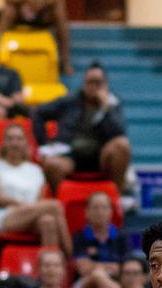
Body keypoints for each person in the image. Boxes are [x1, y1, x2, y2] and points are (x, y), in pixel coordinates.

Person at [34, 62, 131, 192]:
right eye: (89, 82)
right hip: (70, 155)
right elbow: (38, 113)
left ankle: (116, 197)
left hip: (100, 157)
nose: (93, 86)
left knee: (122, 145)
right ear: (83, 83)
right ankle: (63, 204)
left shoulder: (113, 104)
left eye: (97, 82)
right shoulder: (69, 101)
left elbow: (119, 132)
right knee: (52, 164)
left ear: (105, 85)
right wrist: (45, 144)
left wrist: (106, 108)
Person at [0, 124, 68, 249]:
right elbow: (0, 199)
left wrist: (31, 208)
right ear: (4, 143)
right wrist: (27, 206)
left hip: (31, 216)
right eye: (10, 139)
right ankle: (70, 255)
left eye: (19, 139)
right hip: (5, 215)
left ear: (26, 143)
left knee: (48, 221)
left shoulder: (36, 170)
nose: (15, 143)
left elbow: (39, 202)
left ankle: (50, 264)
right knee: (55, 206)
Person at [0, 0, 71, 76]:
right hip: (19, 12)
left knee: (59, 11)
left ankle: (65, 61)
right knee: (9, 10)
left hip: (43, 12)